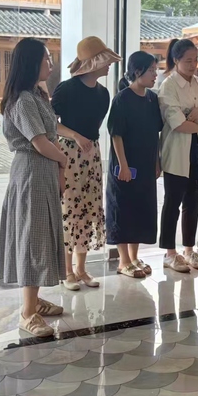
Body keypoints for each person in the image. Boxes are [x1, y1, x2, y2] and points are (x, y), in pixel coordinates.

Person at [0, 38, 66, 337]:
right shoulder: (23, 99)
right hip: (32, 172)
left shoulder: (36, 94)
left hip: (41, 171)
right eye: (46, 58)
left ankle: (34, 301)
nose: (50, 63)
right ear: (31, 62)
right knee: (32, 238)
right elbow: (39, 142)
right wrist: (63, 160)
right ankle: (27, 313)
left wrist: (58, 167)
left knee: (39, 235)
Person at [51, 36, 120, 291]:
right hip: (69, 153)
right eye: (106, 60)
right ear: (95, 62)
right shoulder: (66, 89)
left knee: (89, 207)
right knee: (70, 208)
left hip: (91, 154)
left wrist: (84, 139)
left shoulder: (103, 93)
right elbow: (51, 123)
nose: (109, 65)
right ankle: (67, 270)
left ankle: (81, 268)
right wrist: (75, 136)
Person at [106, 51, 164, 278]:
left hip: (146, 164)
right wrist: (123, 165)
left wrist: (157, 161)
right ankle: (123, 261)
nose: (155, 75)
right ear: (137, 71)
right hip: (126, 165)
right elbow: (116, 134)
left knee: (141, 208)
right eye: (151, 70)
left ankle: (134, 256)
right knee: (124, 209)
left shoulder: (152, 99)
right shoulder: (122, 99)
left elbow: (156, 133)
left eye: (156, 70)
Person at [158, 38, 198, 273]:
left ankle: (189, 250)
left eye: (196, 60)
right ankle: (170, 253)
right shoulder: (168, 86)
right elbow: (178, 124)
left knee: (194, 201)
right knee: (172, 202)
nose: (193, 65)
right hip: (176, 151)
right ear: (176, 60)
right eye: (188, 60)